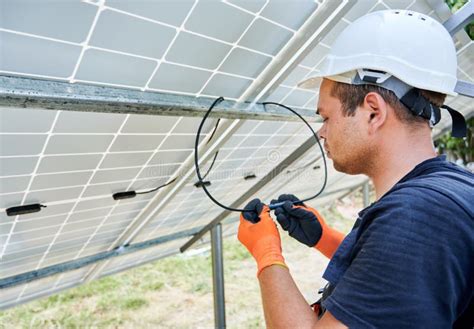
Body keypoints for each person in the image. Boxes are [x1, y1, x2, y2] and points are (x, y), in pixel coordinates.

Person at [237, 10, 473, 328]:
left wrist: (266, 253)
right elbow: (395, 283)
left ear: (373, 112)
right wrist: (325, 239)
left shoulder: (415, 216)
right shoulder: (448, 187)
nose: (322, 132)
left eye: (326, 117)